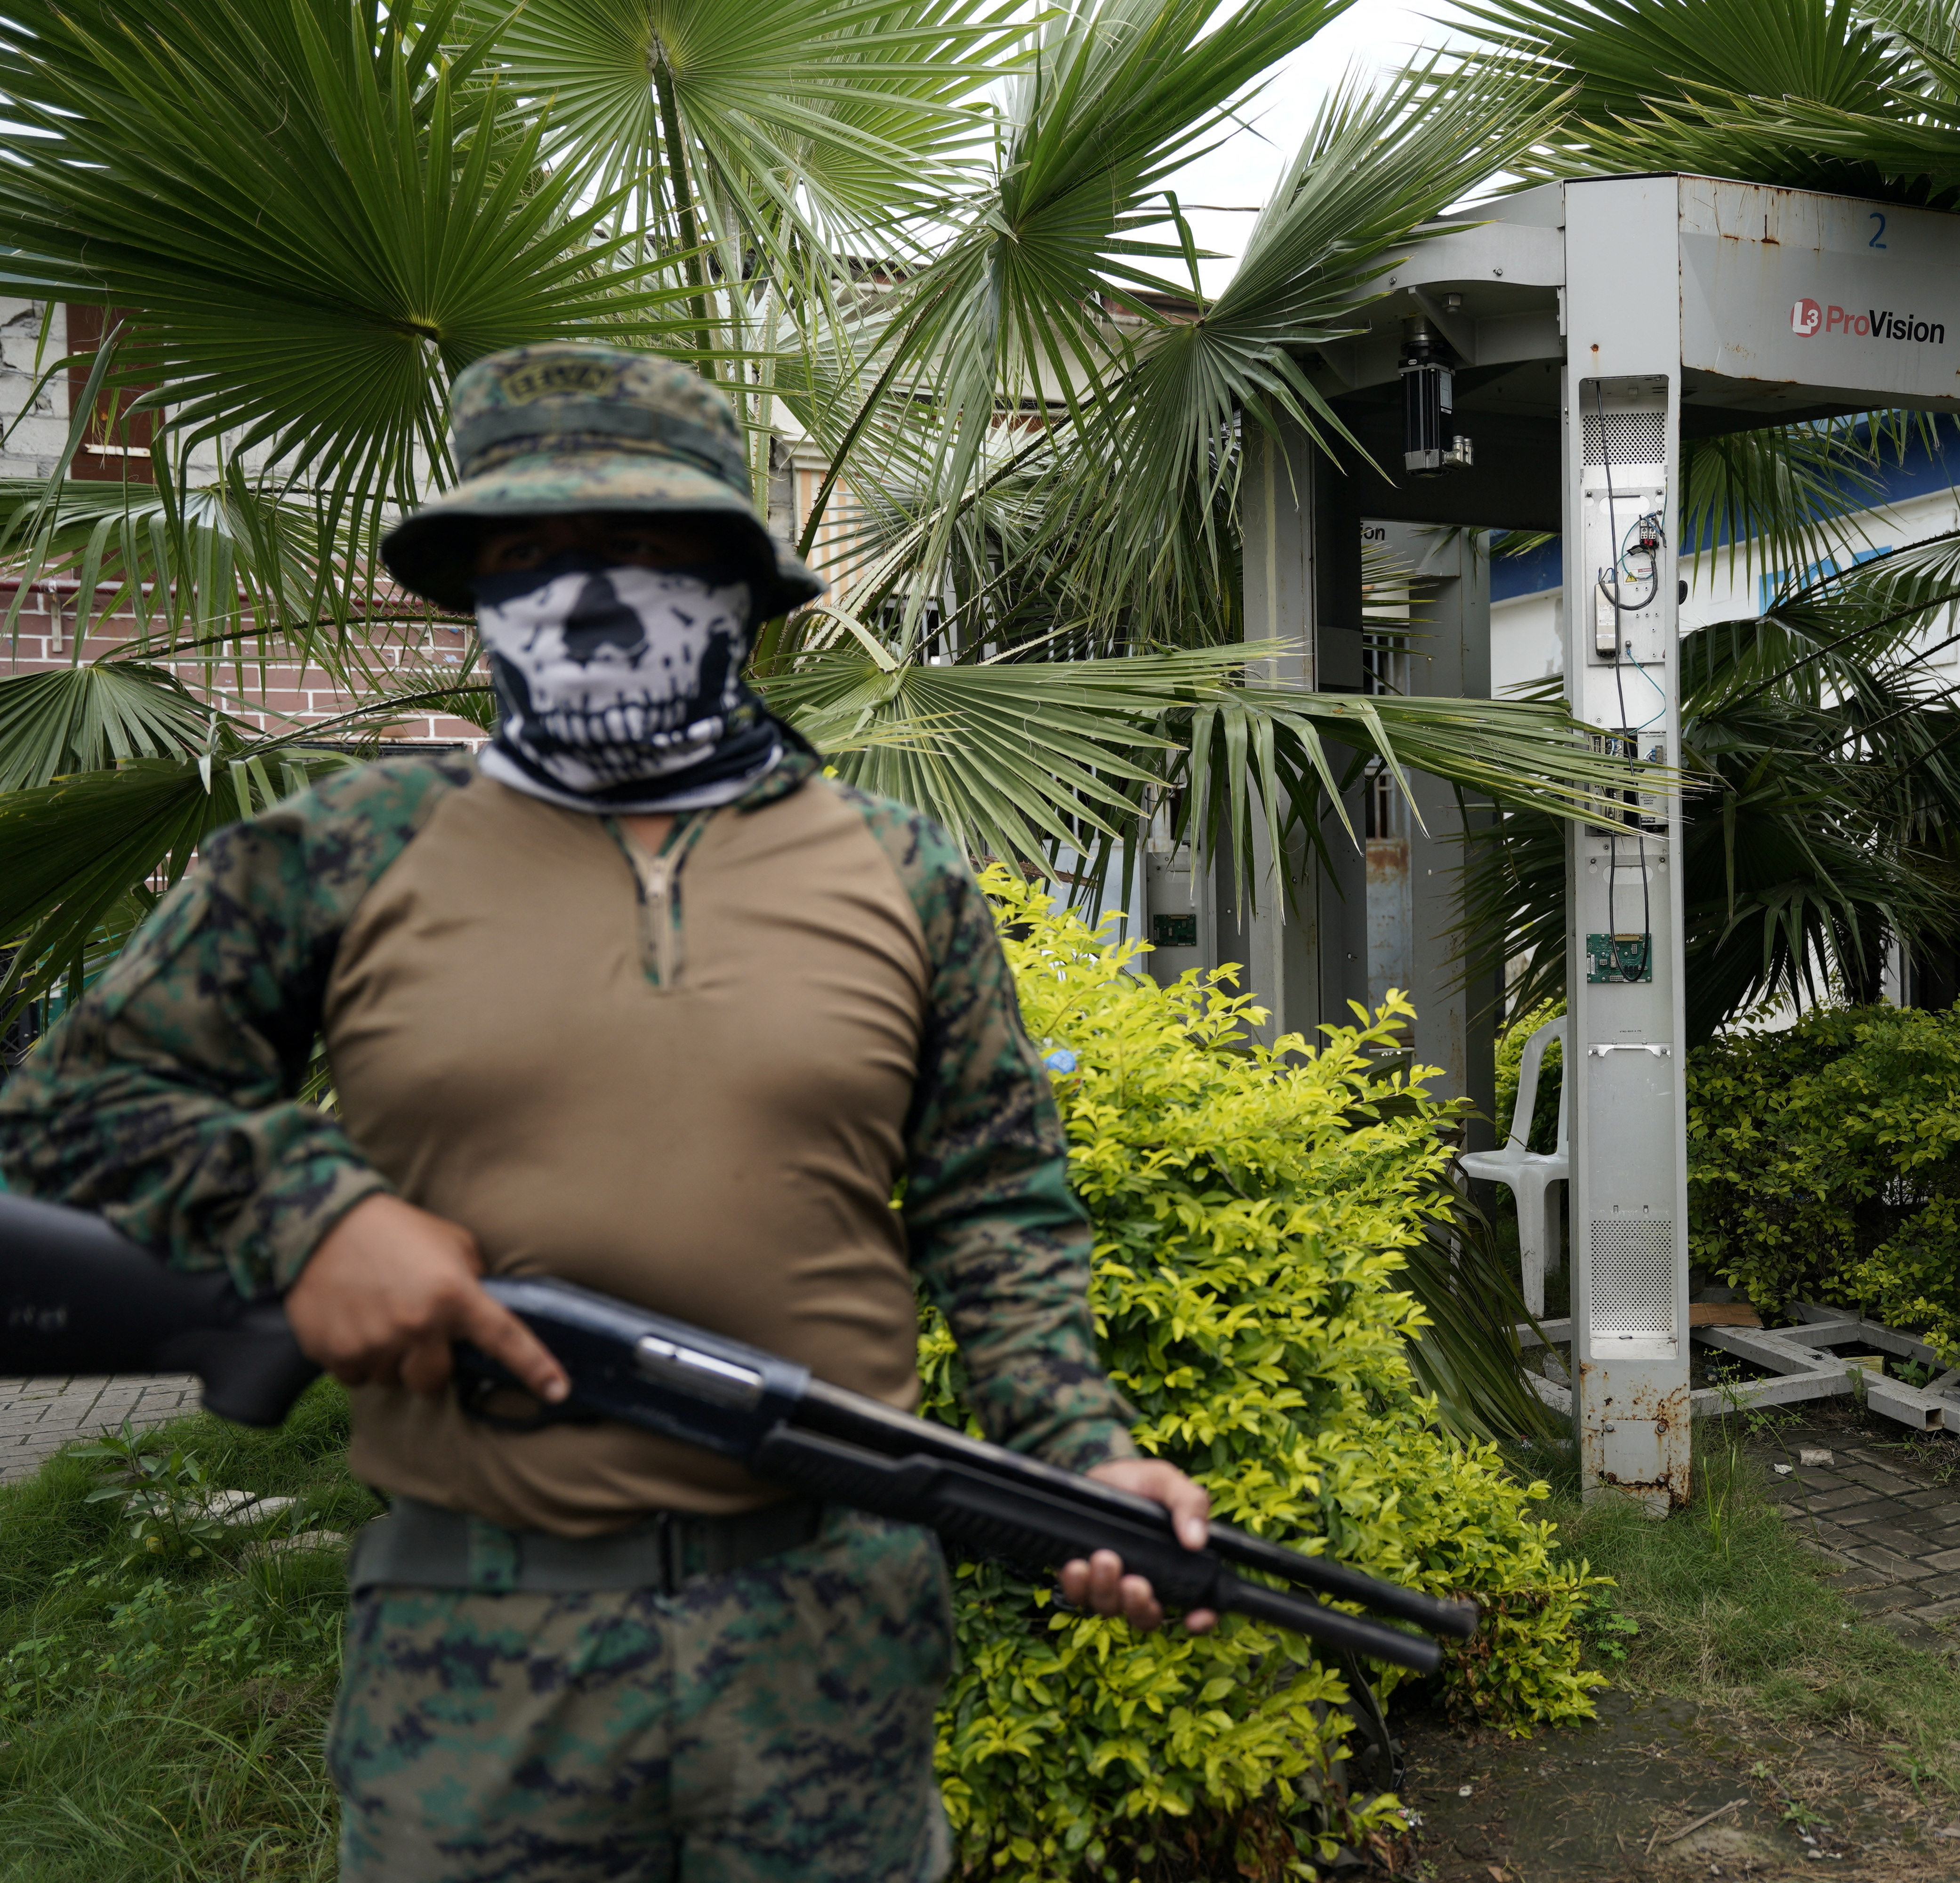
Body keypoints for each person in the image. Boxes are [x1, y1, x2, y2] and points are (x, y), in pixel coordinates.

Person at [0, 342, 1210, 1882]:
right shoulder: (346, 849)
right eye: (532, 556)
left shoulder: (900, 868)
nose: (589, 596)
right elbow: (76, 1099)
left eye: (651, 553)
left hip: (826, 1634)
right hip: (474, 1650)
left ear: (740, 590)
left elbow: (997, 1208)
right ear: (473, 594)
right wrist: (320, 1216)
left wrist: (1080, 1457)